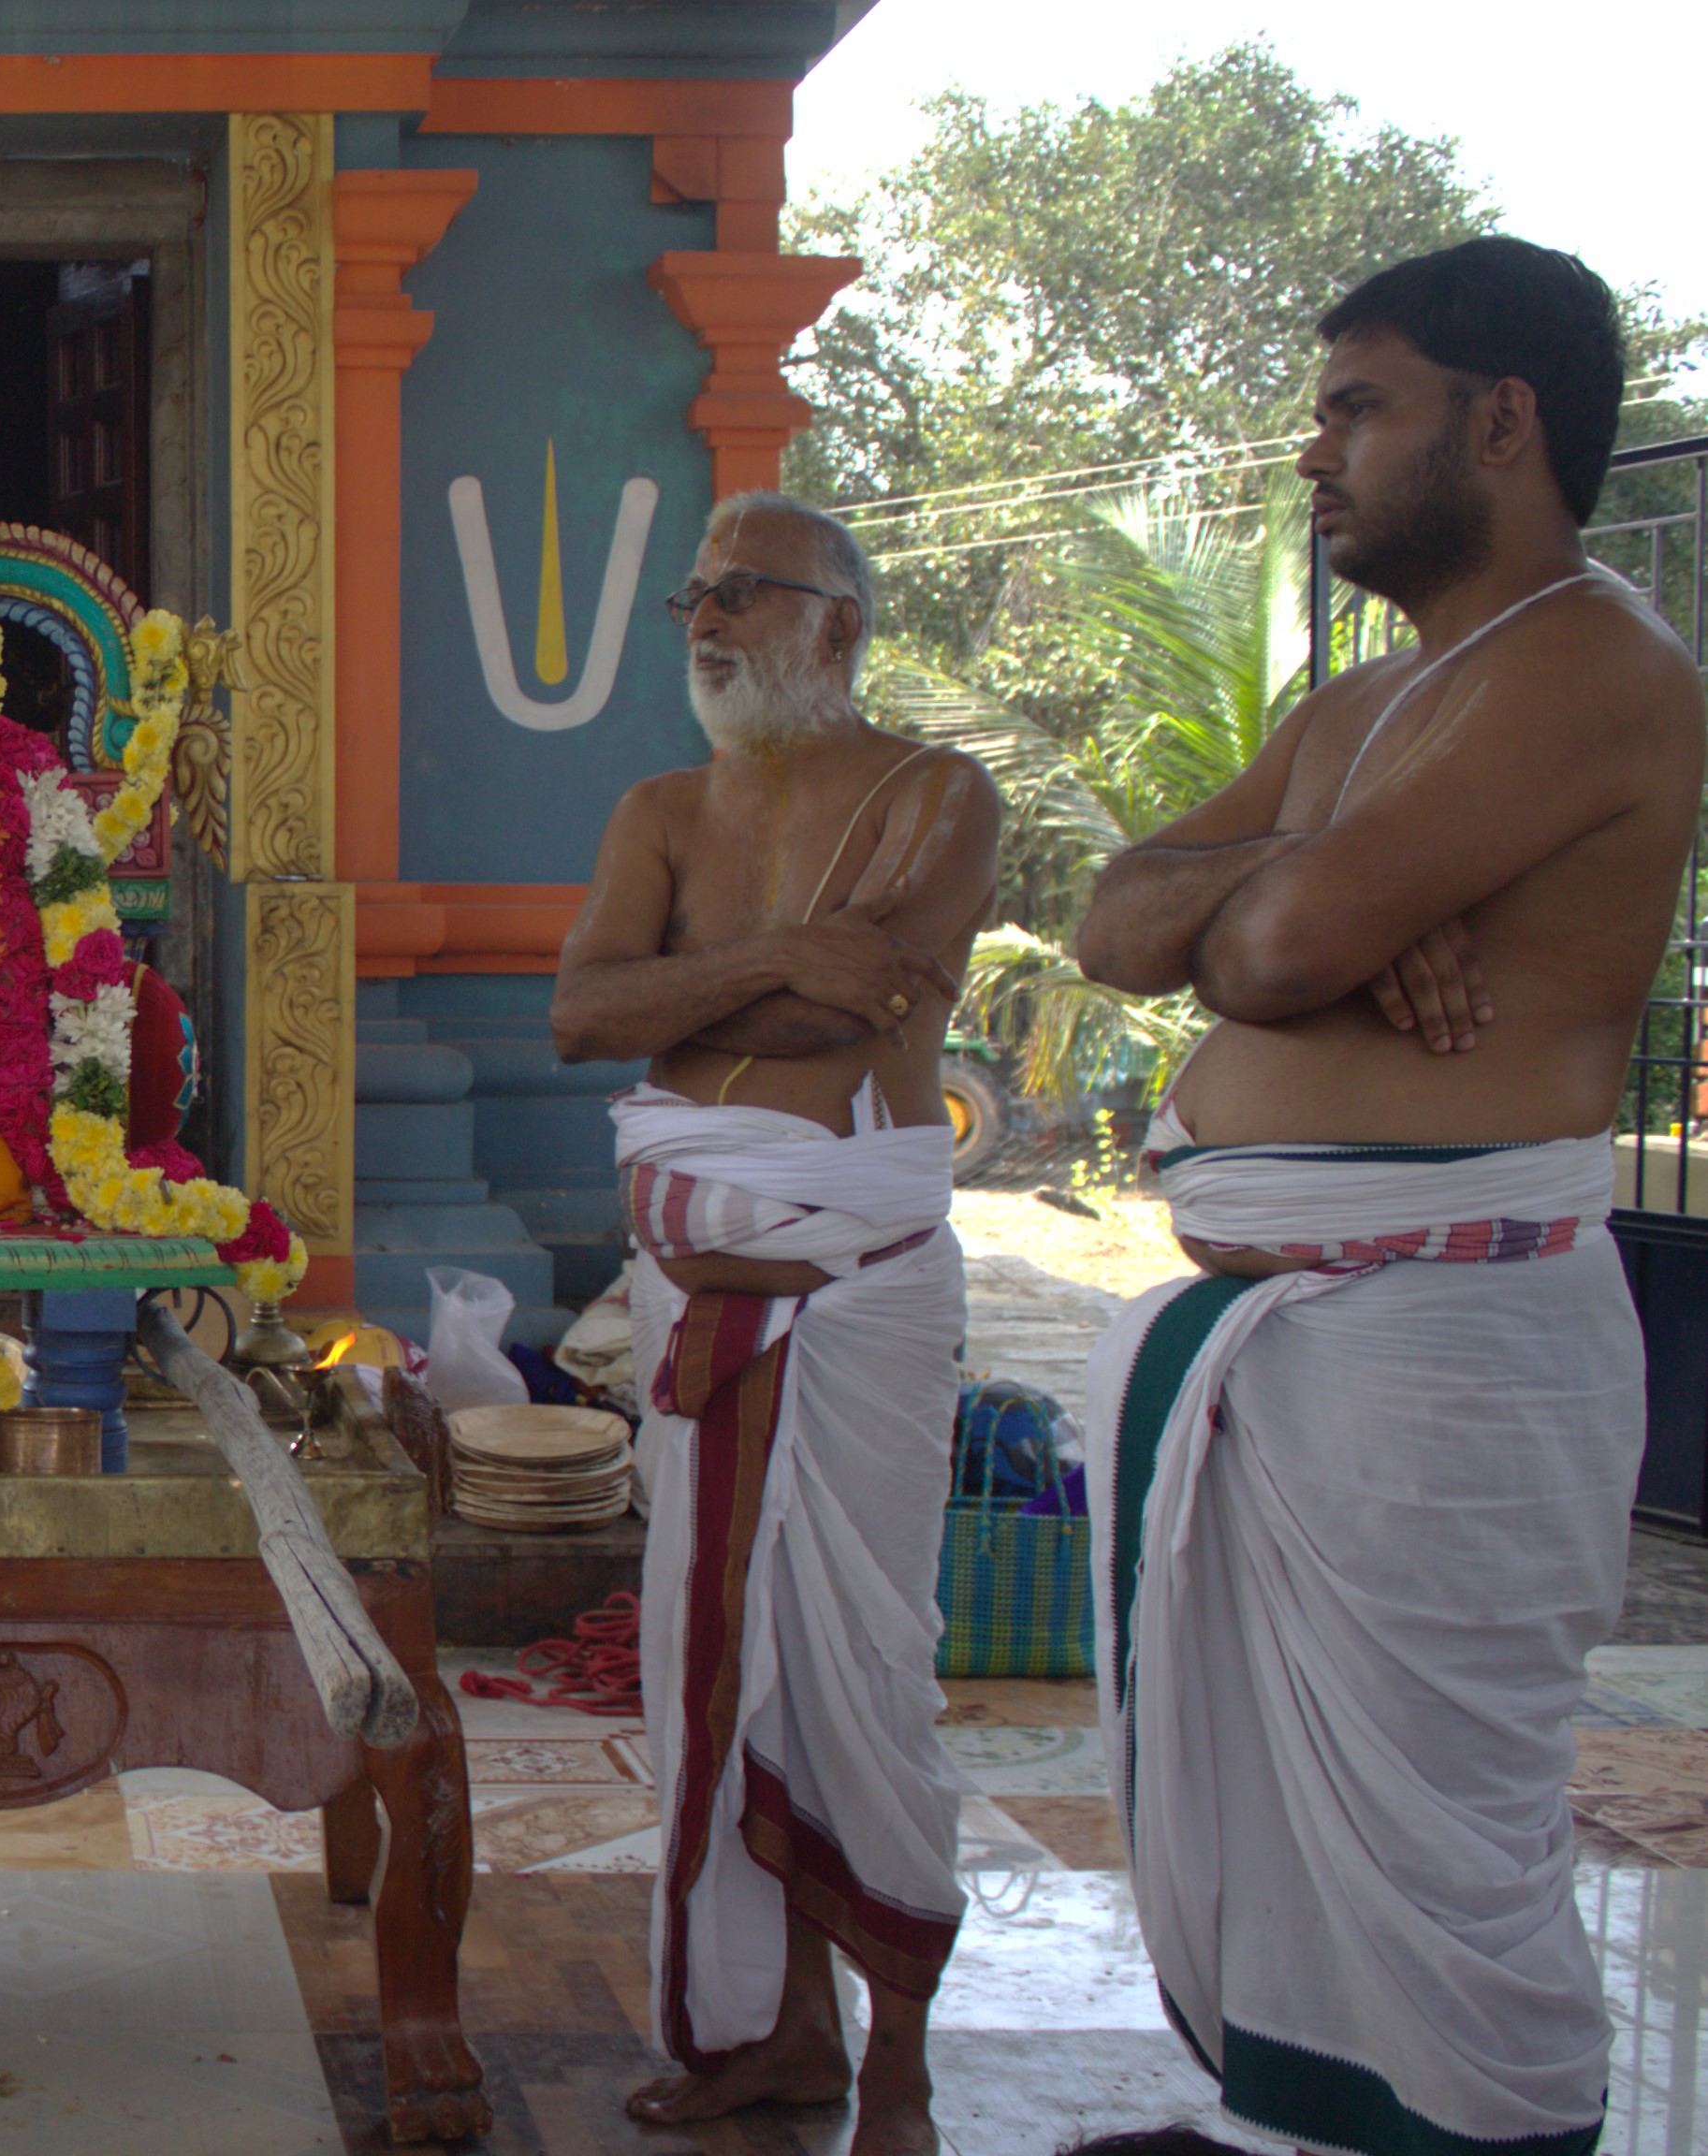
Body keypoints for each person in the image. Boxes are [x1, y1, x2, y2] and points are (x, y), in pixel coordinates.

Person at [1073, 236, 1700, 2156]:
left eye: (1358, 407)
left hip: (1445, 1345)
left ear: (1501, 422)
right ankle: (1295, 2134)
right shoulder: (1360, 717)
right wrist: (1330, 870)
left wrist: (1300, 895)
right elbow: (1122, 921)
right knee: (1279, 1830)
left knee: (1439, 1850)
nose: (1312, 456)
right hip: (1296, 1342)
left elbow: (1269, 952)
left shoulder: (1600, 664)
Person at [551, 491, 1001, 2156]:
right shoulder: (663, 807)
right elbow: (581, 1012)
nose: (706, 619)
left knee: (863, 1674)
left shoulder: (940, 796)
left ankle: (899, 2064)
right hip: (699, 1293)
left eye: (746, 591)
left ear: (843, 622)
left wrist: (709, 980)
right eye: (695, 594)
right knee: (713, 1672)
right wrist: (779, 958)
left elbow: (853, 1002)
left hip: (862, 1297)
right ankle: (782, 2037)